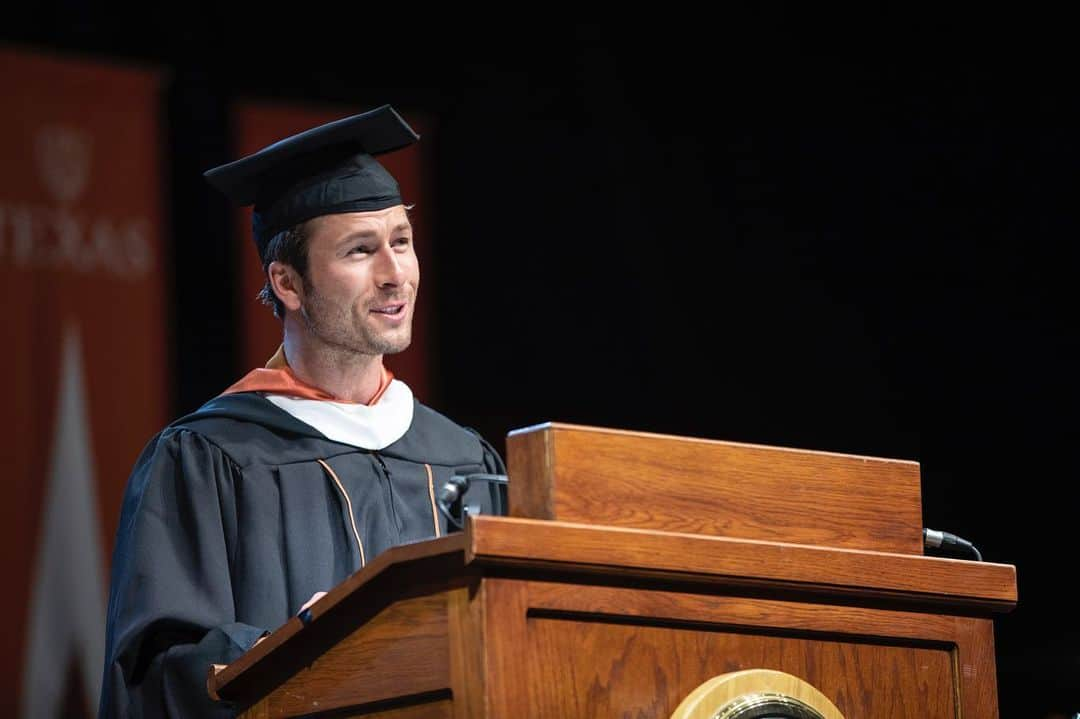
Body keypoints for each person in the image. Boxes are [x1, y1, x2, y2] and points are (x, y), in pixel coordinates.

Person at [98, 105, 505, 718]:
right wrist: (303, 649)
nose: (396, 274)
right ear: (287, 284)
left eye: (402, 242)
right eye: (360, 251)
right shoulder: (209, 459)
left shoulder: (462, 459)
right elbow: (159, 673)